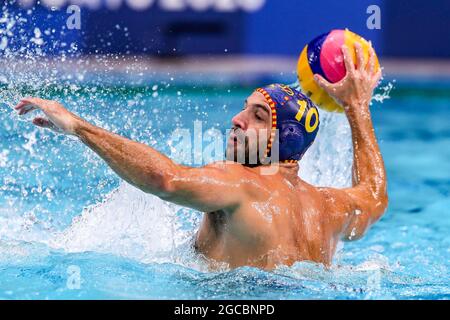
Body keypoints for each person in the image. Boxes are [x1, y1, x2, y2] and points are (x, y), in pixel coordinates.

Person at [14, 43, 387, 270]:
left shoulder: (240, 183)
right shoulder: (327, 207)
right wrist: (357, 106)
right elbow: (373, 194)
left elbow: (165, 179)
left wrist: (79, 127)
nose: (236, 120)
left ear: (282, 140)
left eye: (258, 116)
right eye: (244, 108)